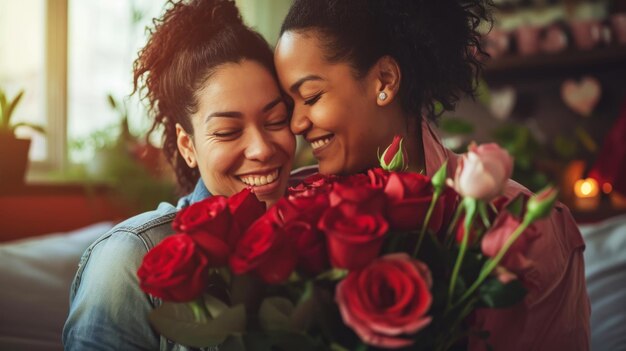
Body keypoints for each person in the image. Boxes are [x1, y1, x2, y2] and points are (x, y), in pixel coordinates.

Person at [275, 0, 590, 350]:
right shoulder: (293, 205)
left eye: (311, 96)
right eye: (289, 107)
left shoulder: (522, 228)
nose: (297, 124)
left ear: (385, 80)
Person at [63, 0, 295, 349]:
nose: (262, 148)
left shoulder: (318, 231)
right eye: (229, 131)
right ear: (187, 145)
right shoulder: (129, 259)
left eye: (276, 121)